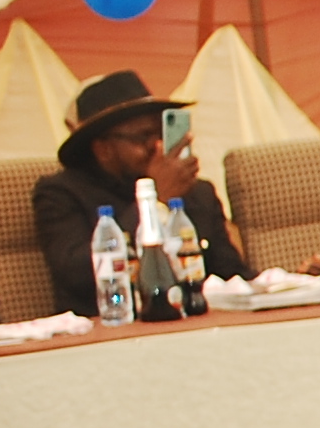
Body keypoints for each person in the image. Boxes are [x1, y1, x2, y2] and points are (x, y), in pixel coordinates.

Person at [33, 73, 255, 317]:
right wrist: (154, 200)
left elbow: (232, 276)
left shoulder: (197, 193)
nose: (157, 146)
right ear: (104, 149)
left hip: (200, 325)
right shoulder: (61, 194)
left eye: (161, 134)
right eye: (143, 137)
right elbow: (76, 274)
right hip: (111, 328)